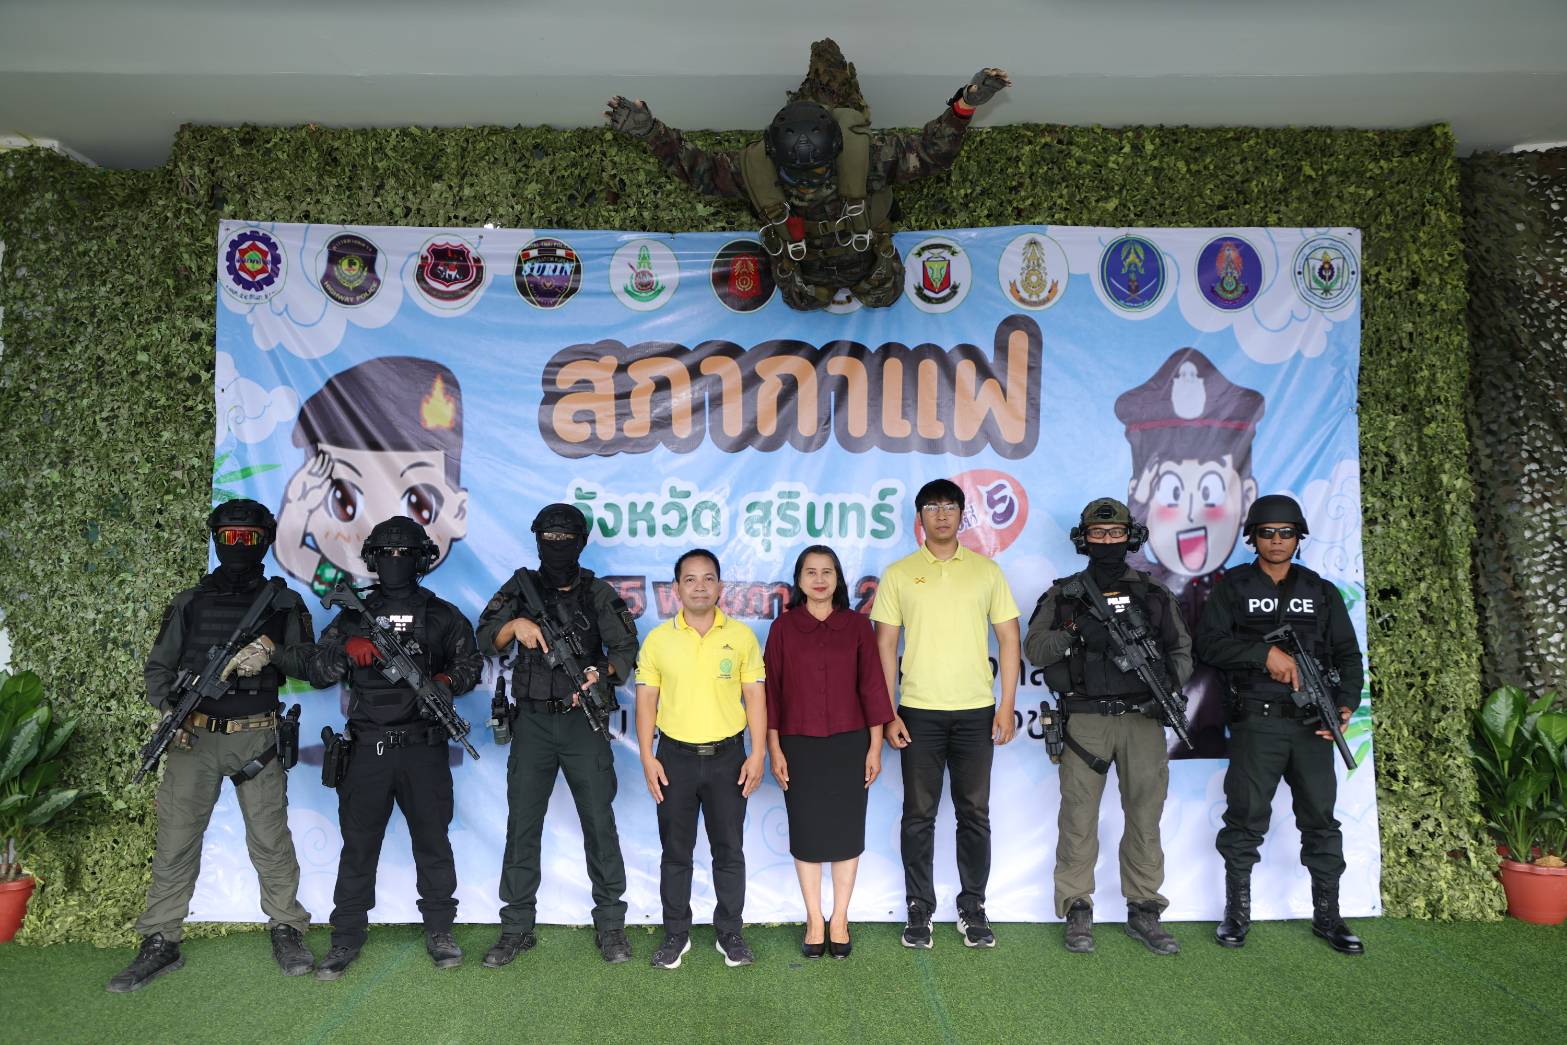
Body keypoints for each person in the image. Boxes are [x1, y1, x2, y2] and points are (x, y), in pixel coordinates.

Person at [605, 39, 1008, 310]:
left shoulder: (867, 157)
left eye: (818, 171)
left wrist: (964, 106)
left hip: (868, 261)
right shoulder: (755, 168)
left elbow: (930, 153)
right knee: (803, 303)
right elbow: (701, 171)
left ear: (836, 151)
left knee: (884, 296)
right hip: (802, 273)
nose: (810, 182)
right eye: (798, 173)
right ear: (775, 155)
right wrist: (651, 131)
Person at [108, 499, 317, 992]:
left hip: (256, 737)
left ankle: (286, 927)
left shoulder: (284, 603)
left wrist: (271, 652)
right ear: (216, 539)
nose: (237, 545)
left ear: (265, 541)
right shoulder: (190, 603)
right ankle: (161, 939)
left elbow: (312, 666)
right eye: (229, 536)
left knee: (270, 840)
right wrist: (169, 712)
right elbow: (159, 669)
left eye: (248, 537)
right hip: (193, 736)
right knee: (176, 840)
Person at [301, 515, 484, 980]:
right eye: (387, 553)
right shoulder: (351, 615)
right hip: (368, 751)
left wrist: (444, 681)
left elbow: (471, 663)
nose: (396, 561)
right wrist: (348, 649)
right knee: (359, 846)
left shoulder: (441, 614)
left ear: (421, 559)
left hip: (424, 748)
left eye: (405, 553)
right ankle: (346, 936)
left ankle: (440, 929)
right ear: (373, 559)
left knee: (433, 841)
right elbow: (317, 670)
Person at [1196, 494, 1365, 954]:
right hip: (1258, 723)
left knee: (1321, 820)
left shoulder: (1320, 591)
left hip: (1313, 726)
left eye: (1285, 533)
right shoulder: (1232, 587)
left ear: (1298, 537)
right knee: (1245, 818)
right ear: (1253, 538)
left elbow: (1348, 657)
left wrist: (1345, 706)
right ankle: (1237, 913)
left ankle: (1328, 916)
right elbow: (1208, 645)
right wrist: (1262, 654)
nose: (1276, 540)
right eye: (1267, 533)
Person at [1023, 498, 1193, 955]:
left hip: (1143, 719)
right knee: (1078, 817)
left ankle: (1144, 909)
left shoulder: (1153, 594)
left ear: (1129, 537)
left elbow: (1181, 653)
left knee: (1145, 816)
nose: (1106, 541)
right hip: (1086, 721)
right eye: (1097, 534)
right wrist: (1076, 631)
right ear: (1084, 540)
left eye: (1115, 533)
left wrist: (1164, 688)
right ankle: (1077, 907)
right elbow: (1036, 649)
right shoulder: (1064, 595)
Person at [474, 503, 640, 967]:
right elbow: (484, 636)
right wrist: (515, 626)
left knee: (599, 822)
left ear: (581, 542)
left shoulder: (598, 593)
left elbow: (626, 648)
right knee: (522, 824)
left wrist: (600, 672)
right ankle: (516, 927)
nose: (557, 546)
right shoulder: (520, 588)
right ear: (537, 540)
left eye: (566, 539)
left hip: (581, 721)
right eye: (549, 538)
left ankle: (611, 924)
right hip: (531, 724)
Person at [871, 478, 1020, 950]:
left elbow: (1010, 638)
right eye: (932, 507)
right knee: (918, 815)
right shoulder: (899, 573)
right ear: (920, 517)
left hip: (976, 712)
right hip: (918, 713)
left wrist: (1007, 705)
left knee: (974, 814)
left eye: (950, 506)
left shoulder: (986, 572)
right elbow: (885, 645)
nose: (941, 514)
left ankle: (973, 907)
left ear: (961, 515)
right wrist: (888, 712)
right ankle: (919, 909)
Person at [1116, 348, 1265, 758]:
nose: (1191, 515)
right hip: (1154, 728)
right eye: (1172, 493)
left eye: (1212, 492)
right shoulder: (1145, 581)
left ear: (1246, 497)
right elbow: (1123, 562)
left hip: (1223, 730)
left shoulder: (1240, 585)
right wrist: (1136, 504)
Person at [634, 549, 766, 969]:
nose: (699, 587)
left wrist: (758, 752)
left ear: (720, 587)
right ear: (676, 589)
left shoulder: (741, 637)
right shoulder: (658, 640)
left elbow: (755, 696)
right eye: (690, 580)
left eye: (708, 579)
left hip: (729, 758)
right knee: (676, 852)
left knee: (729, 850)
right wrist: (647, 756)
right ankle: (676, 934)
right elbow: (646, 701)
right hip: (674, 759)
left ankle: (730, 933)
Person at [764, 545, 891, 960]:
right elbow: (772, 693)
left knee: (846, 833)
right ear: (799, 580)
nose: (819, 579)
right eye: (810, 572)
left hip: (850, 743)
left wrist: (875, 746)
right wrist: (774, 747)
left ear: (838, 579)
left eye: (827, 571)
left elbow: (872, 686)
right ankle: (814, 919)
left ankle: (839, 918)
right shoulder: (783, 628)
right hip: (798, 745)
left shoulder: (857, 626)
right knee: (806, 834)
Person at [274, 356, 470, 596]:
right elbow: (293, 553)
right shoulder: (346, 587)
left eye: (419, 505)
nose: (382, 528)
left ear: (459, 511)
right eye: (343, 500)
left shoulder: (439, 608)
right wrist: (296, 510)